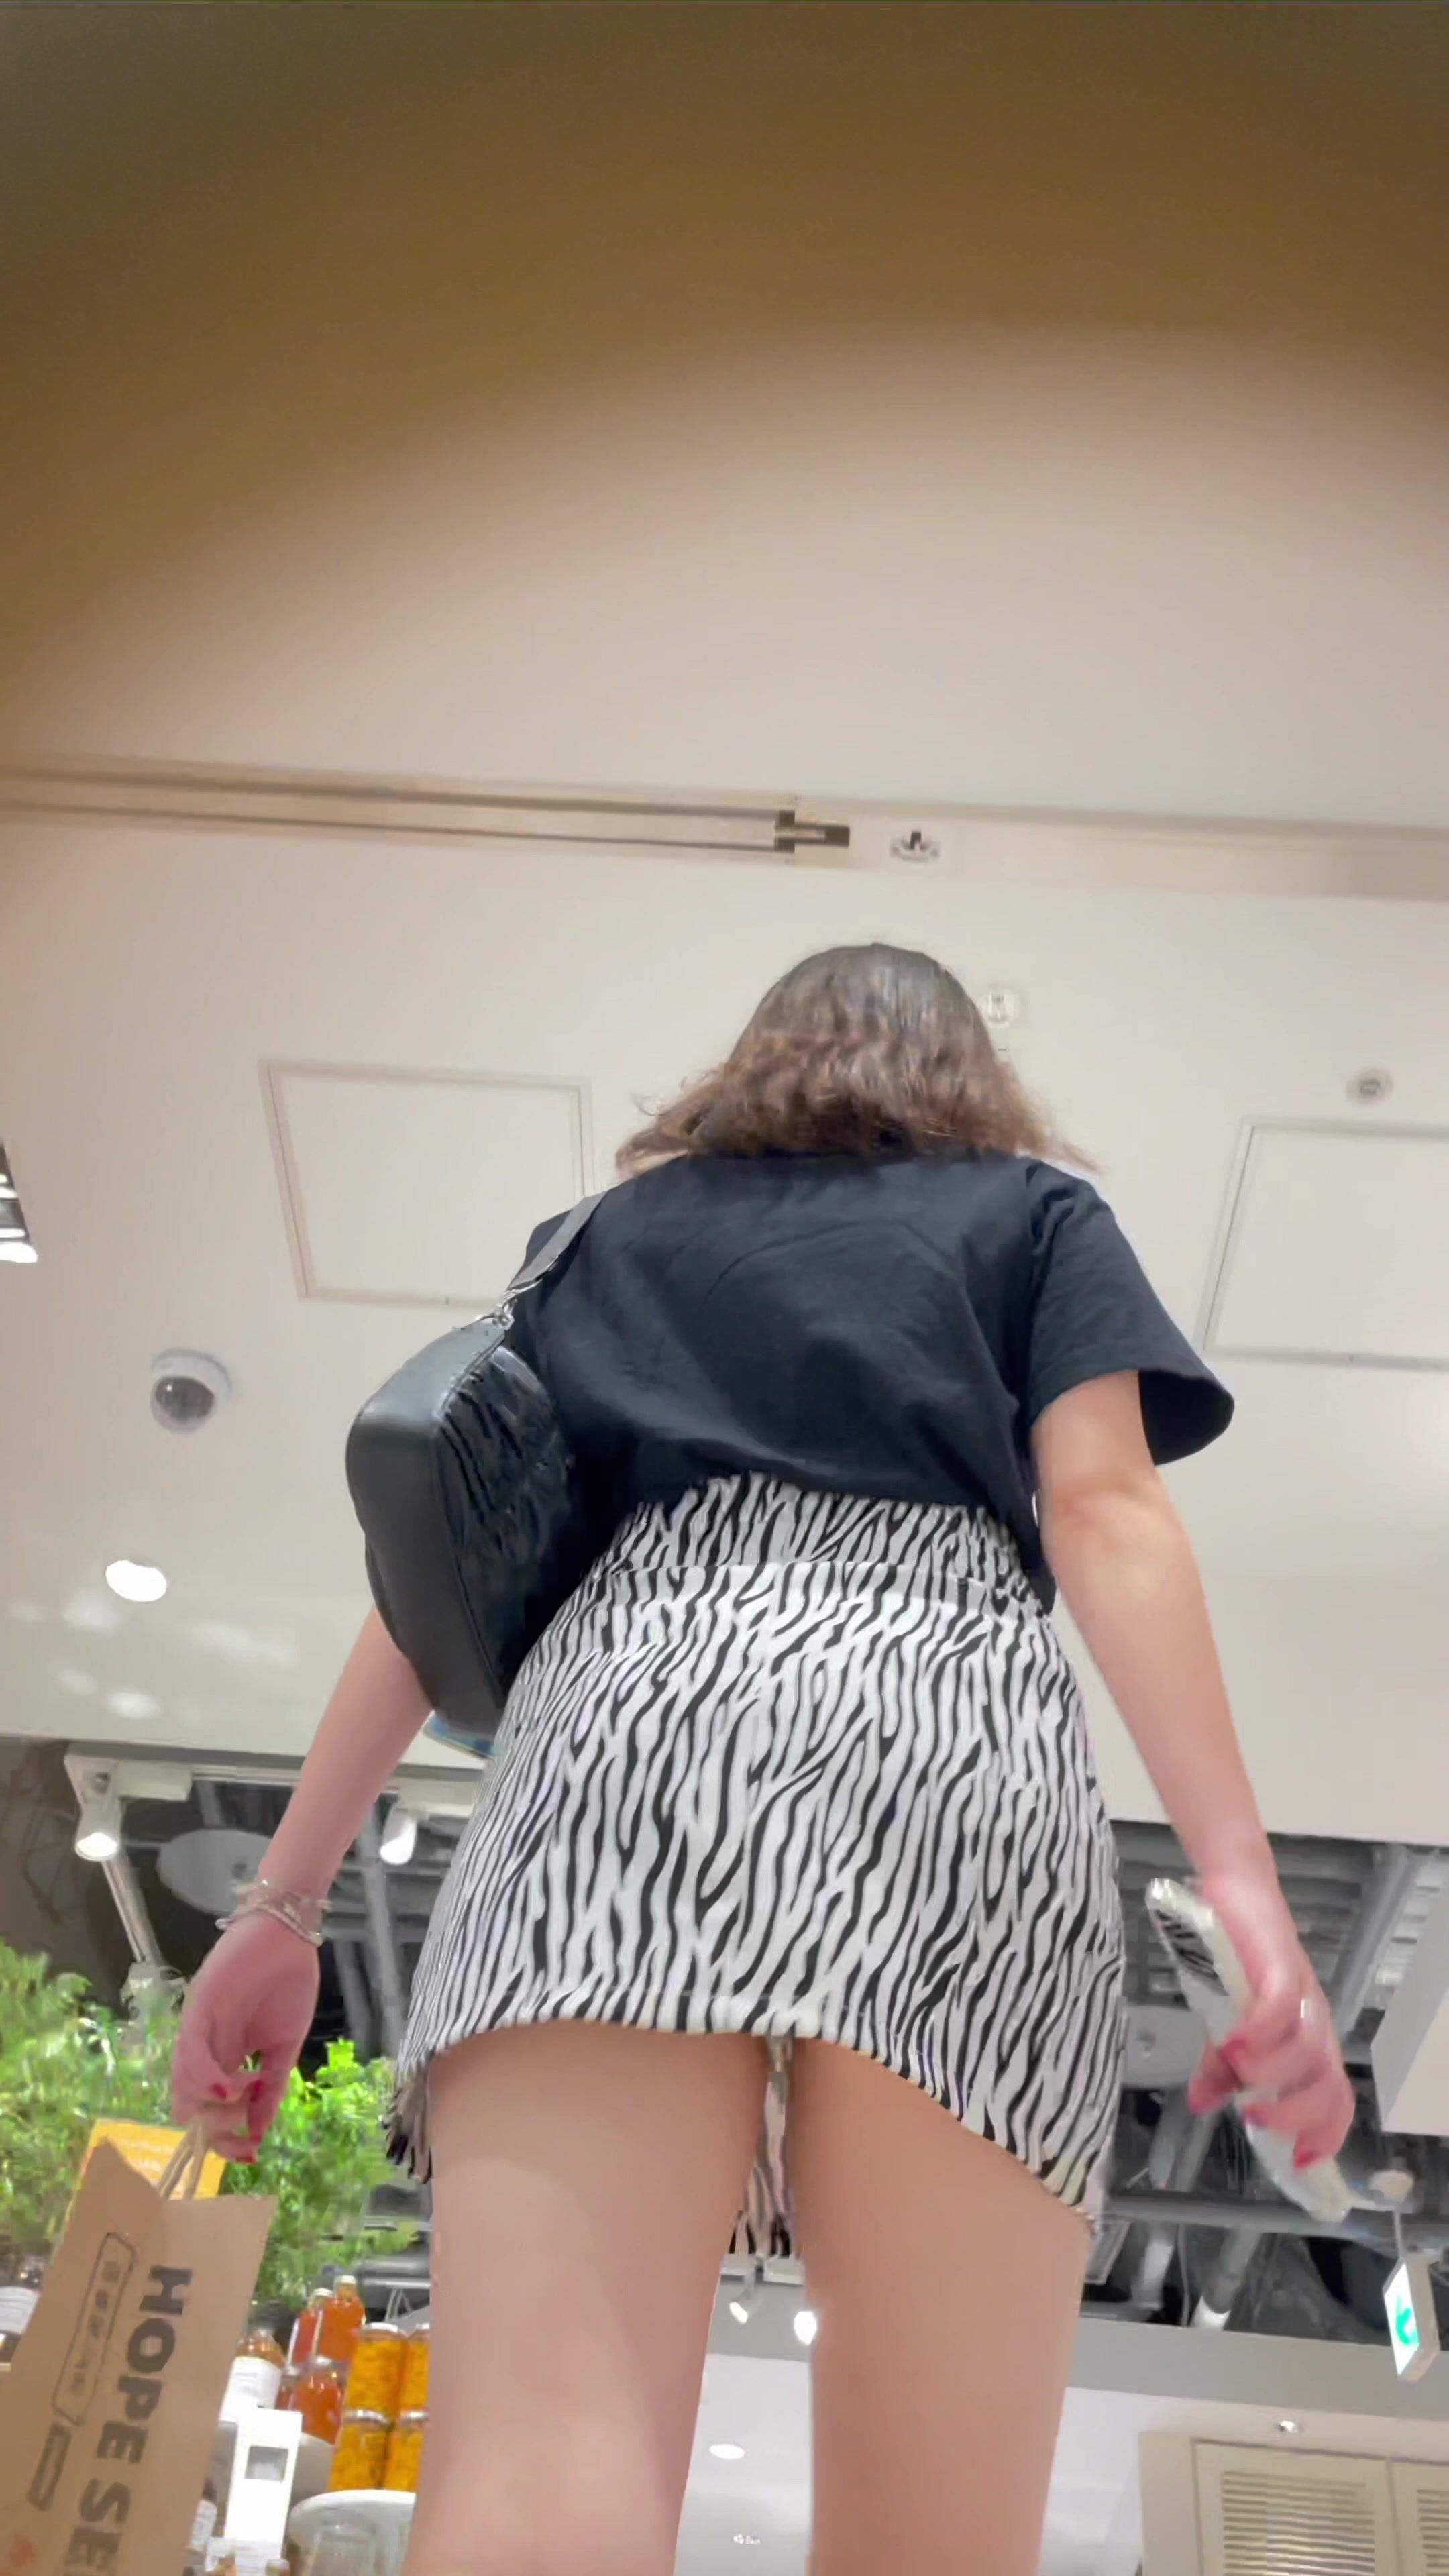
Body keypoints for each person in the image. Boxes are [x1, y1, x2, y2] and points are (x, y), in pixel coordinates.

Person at [174, 944, 1353, 2576]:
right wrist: (1243, 1882)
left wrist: (285, 1906)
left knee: (537, 2501)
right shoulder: (1035, 1217)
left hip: (630, 1731)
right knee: (935, 2541)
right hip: (948, 1733)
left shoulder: (603, 1240)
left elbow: (428, 1579)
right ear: (973, 1081)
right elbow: (1105, 1509)